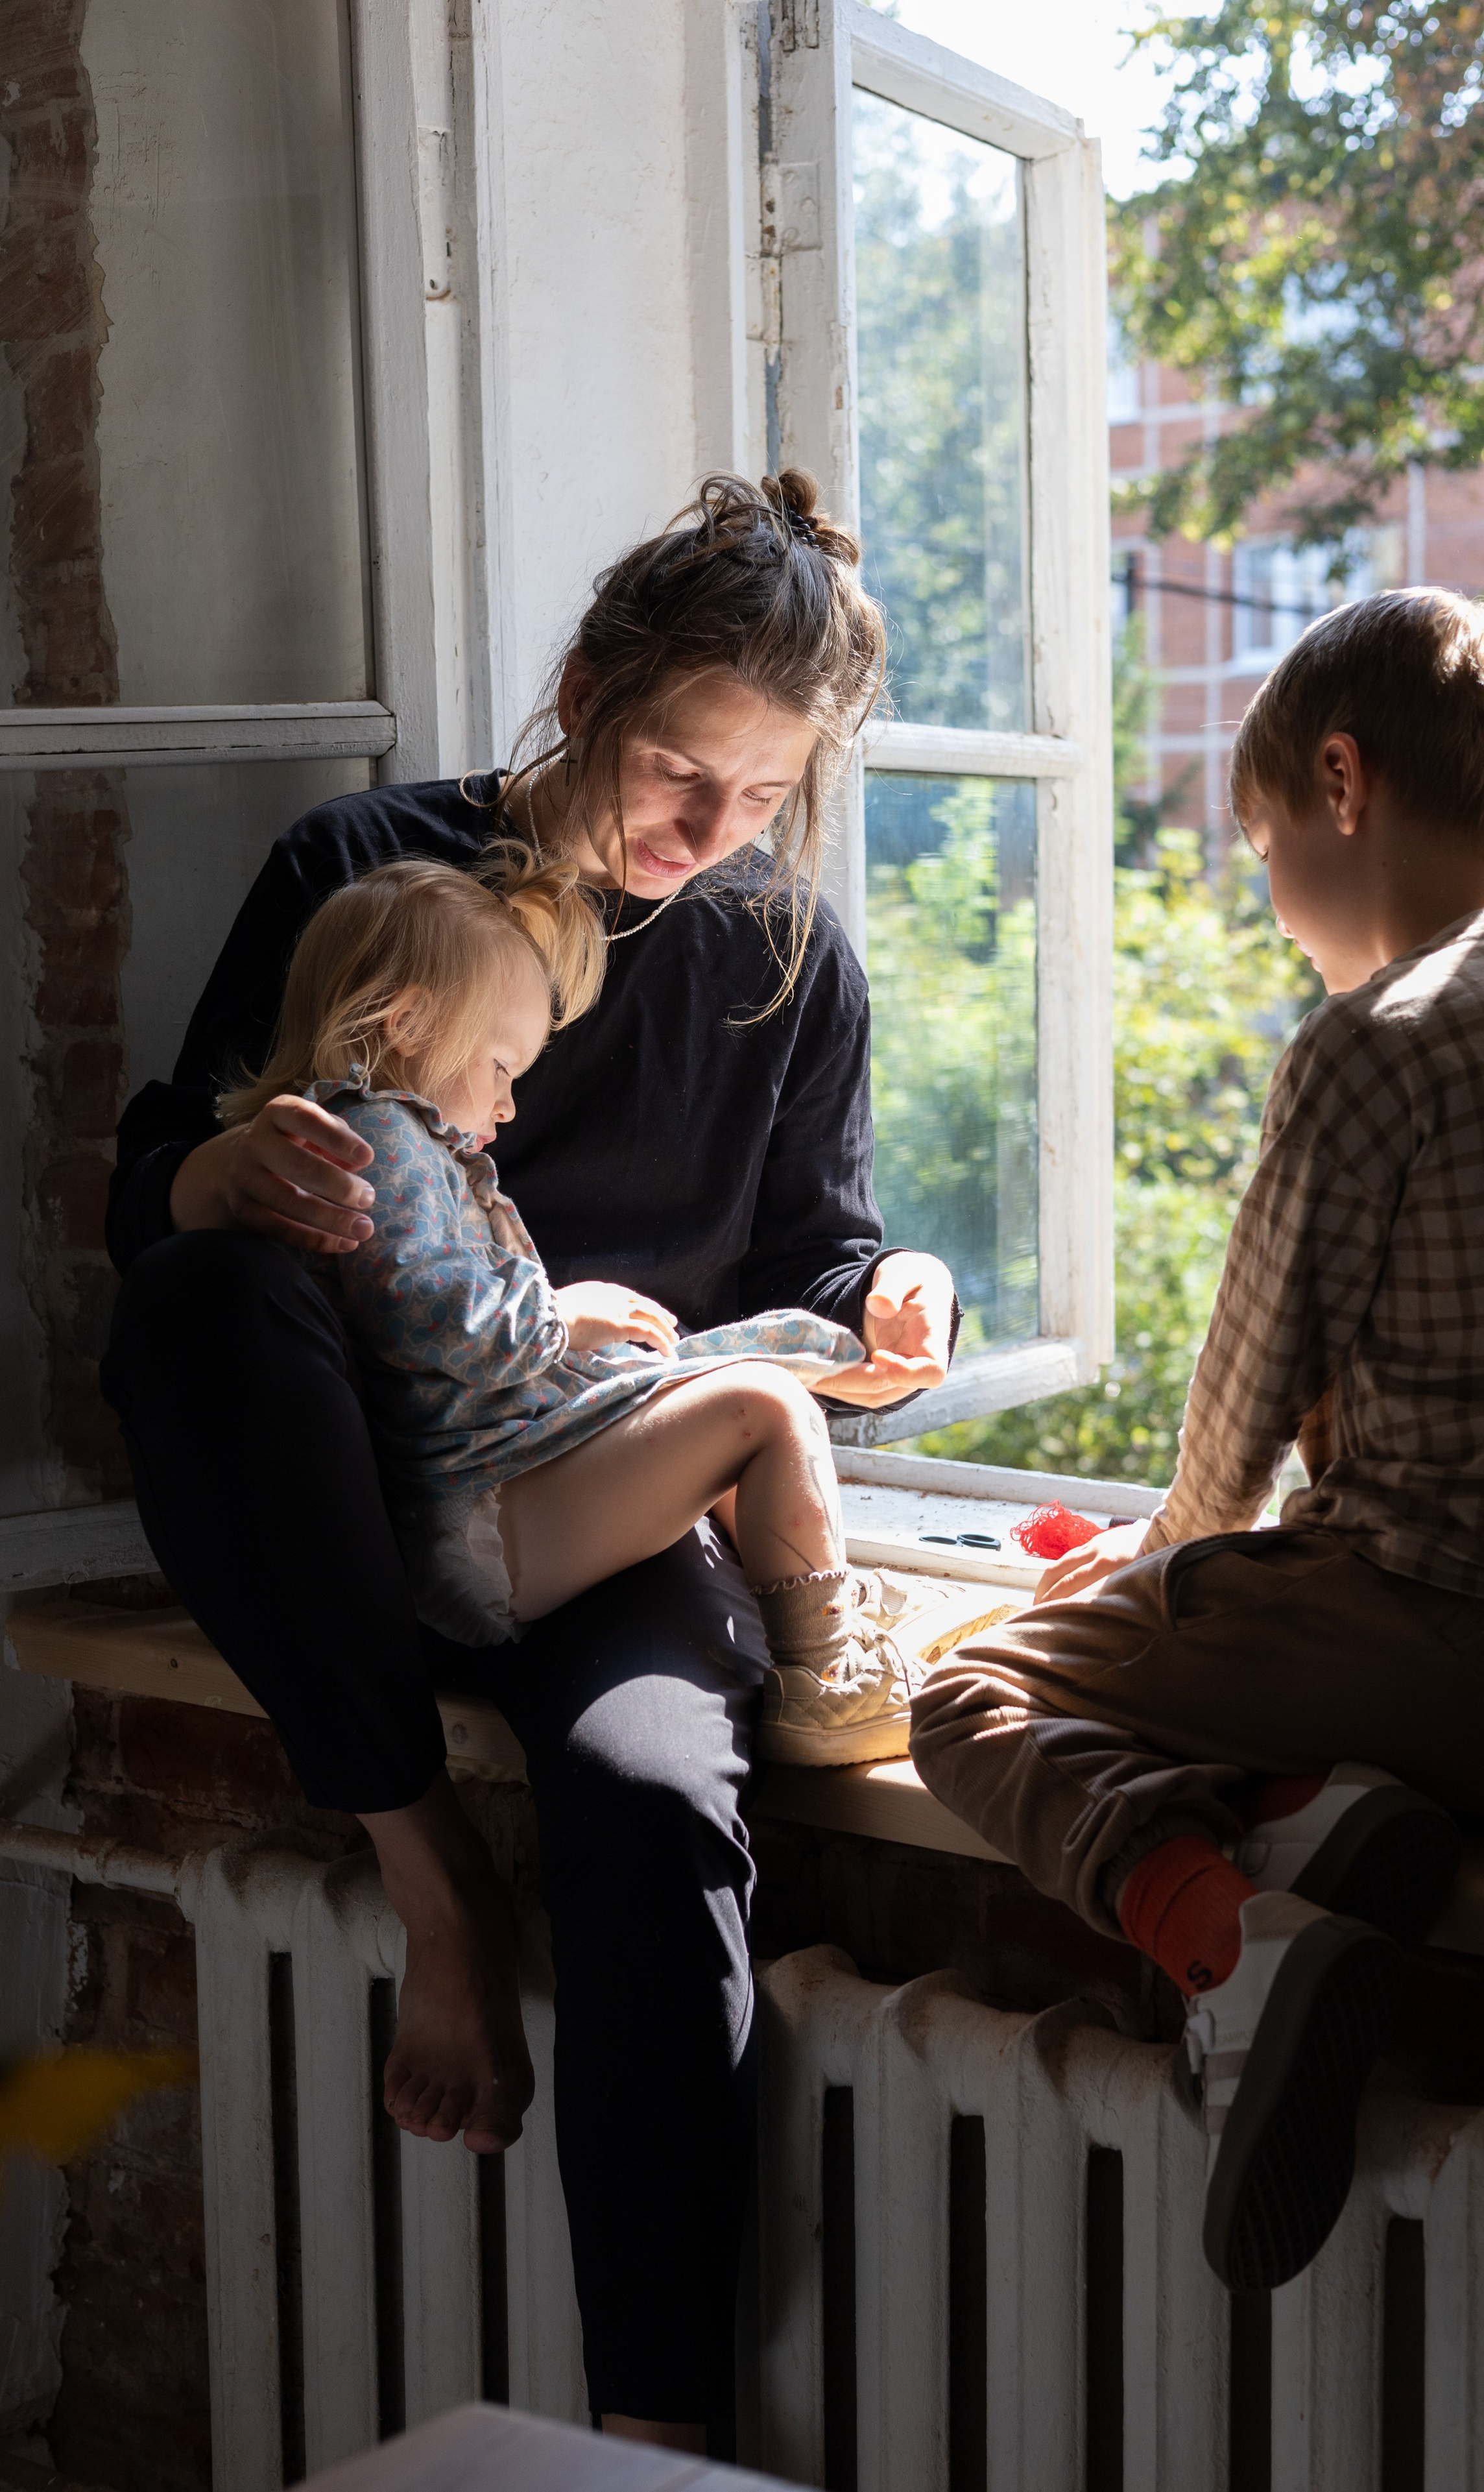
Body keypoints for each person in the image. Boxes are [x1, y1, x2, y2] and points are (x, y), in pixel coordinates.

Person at [101, 472, 957, 2454]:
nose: (707, 834)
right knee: (197, 1303)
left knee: (654, 1807)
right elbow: (161, 1178)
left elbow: (815, 1265)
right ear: (582, 688)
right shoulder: (369, 870)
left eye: (762, 795)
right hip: (336, 1482)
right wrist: (202, 1174)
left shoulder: (778, 957)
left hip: (594, 1498)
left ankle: (647, 2442)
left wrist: (890, 1290)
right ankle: (441, 1902)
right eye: (678, 770)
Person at [910, 589, 1484, 2296]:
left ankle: (1231, 1939)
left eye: (1262, 846)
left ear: (1339, 779)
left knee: (966, 1695)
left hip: (1444, 1640)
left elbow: (1241, 1408)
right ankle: (1315, 1815)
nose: (1268, 895)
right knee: (1196, 1661)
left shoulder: (1377, 1038)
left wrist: (1167, 1557)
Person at [219, 845, 923, 1743]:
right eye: (502, 1067)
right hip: (486, 1515)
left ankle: (815, 1604)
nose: (509, 1107)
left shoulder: (407, 1148)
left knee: (736, 1393)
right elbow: (427, 1315)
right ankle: (827, 1678)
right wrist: (563, 1313)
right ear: (408, 1023)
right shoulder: (380, 1142)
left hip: (504, 1490)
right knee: (765, 1409)